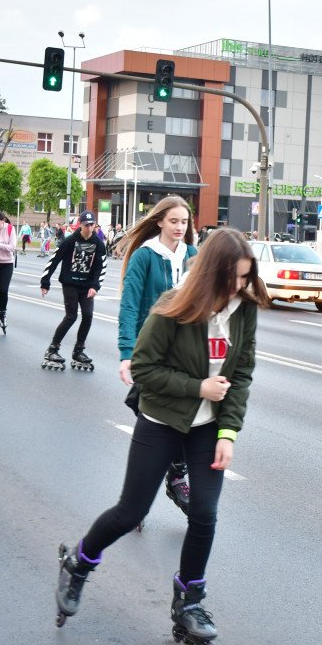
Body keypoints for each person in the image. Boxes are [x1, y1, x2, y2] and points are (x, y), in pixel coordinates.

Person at [53, 228, 268, 642]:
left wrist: (228, 432)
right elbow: (145, 372)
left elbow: (240, 373)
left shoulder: (244, 308)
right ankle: (78, 563)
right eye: (234, 279)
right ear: (211, 274)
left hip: (208, 426)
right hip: (161, 420)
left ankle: (189, 599)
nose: (240, 287)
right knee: (131, 512)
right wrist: (197, 388)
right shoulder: (173, 307)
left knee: (204, 513)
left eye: (246, 278)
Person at [117, 195, 198, 514]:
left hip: (185, 352)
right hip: (149, 350)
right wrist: (127, 353)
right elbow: (129, 305)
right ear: (160, 221)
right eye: (174, 221)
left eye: (185, 222)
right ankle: (139, 496)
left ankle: (174, 476)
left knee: (187, 418)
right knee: (153, 424)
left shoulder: (193, 255)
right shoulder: (144, 256)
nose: (180, 227)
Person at [40, 211, 106, 371]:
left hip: (87, 286)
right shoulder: (70, 241)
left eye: (92, 225)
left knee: (88, 315)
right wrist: (45, 281)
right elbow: (54, 260)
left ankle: (78, 350)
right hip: (70, 283)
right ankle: (52, 349)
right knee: (71, 316)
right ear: (80, 225)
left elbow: (100, 267)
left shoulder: (98, 243)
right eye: (86, 225)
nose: (89, 228)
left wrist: (95, 286)